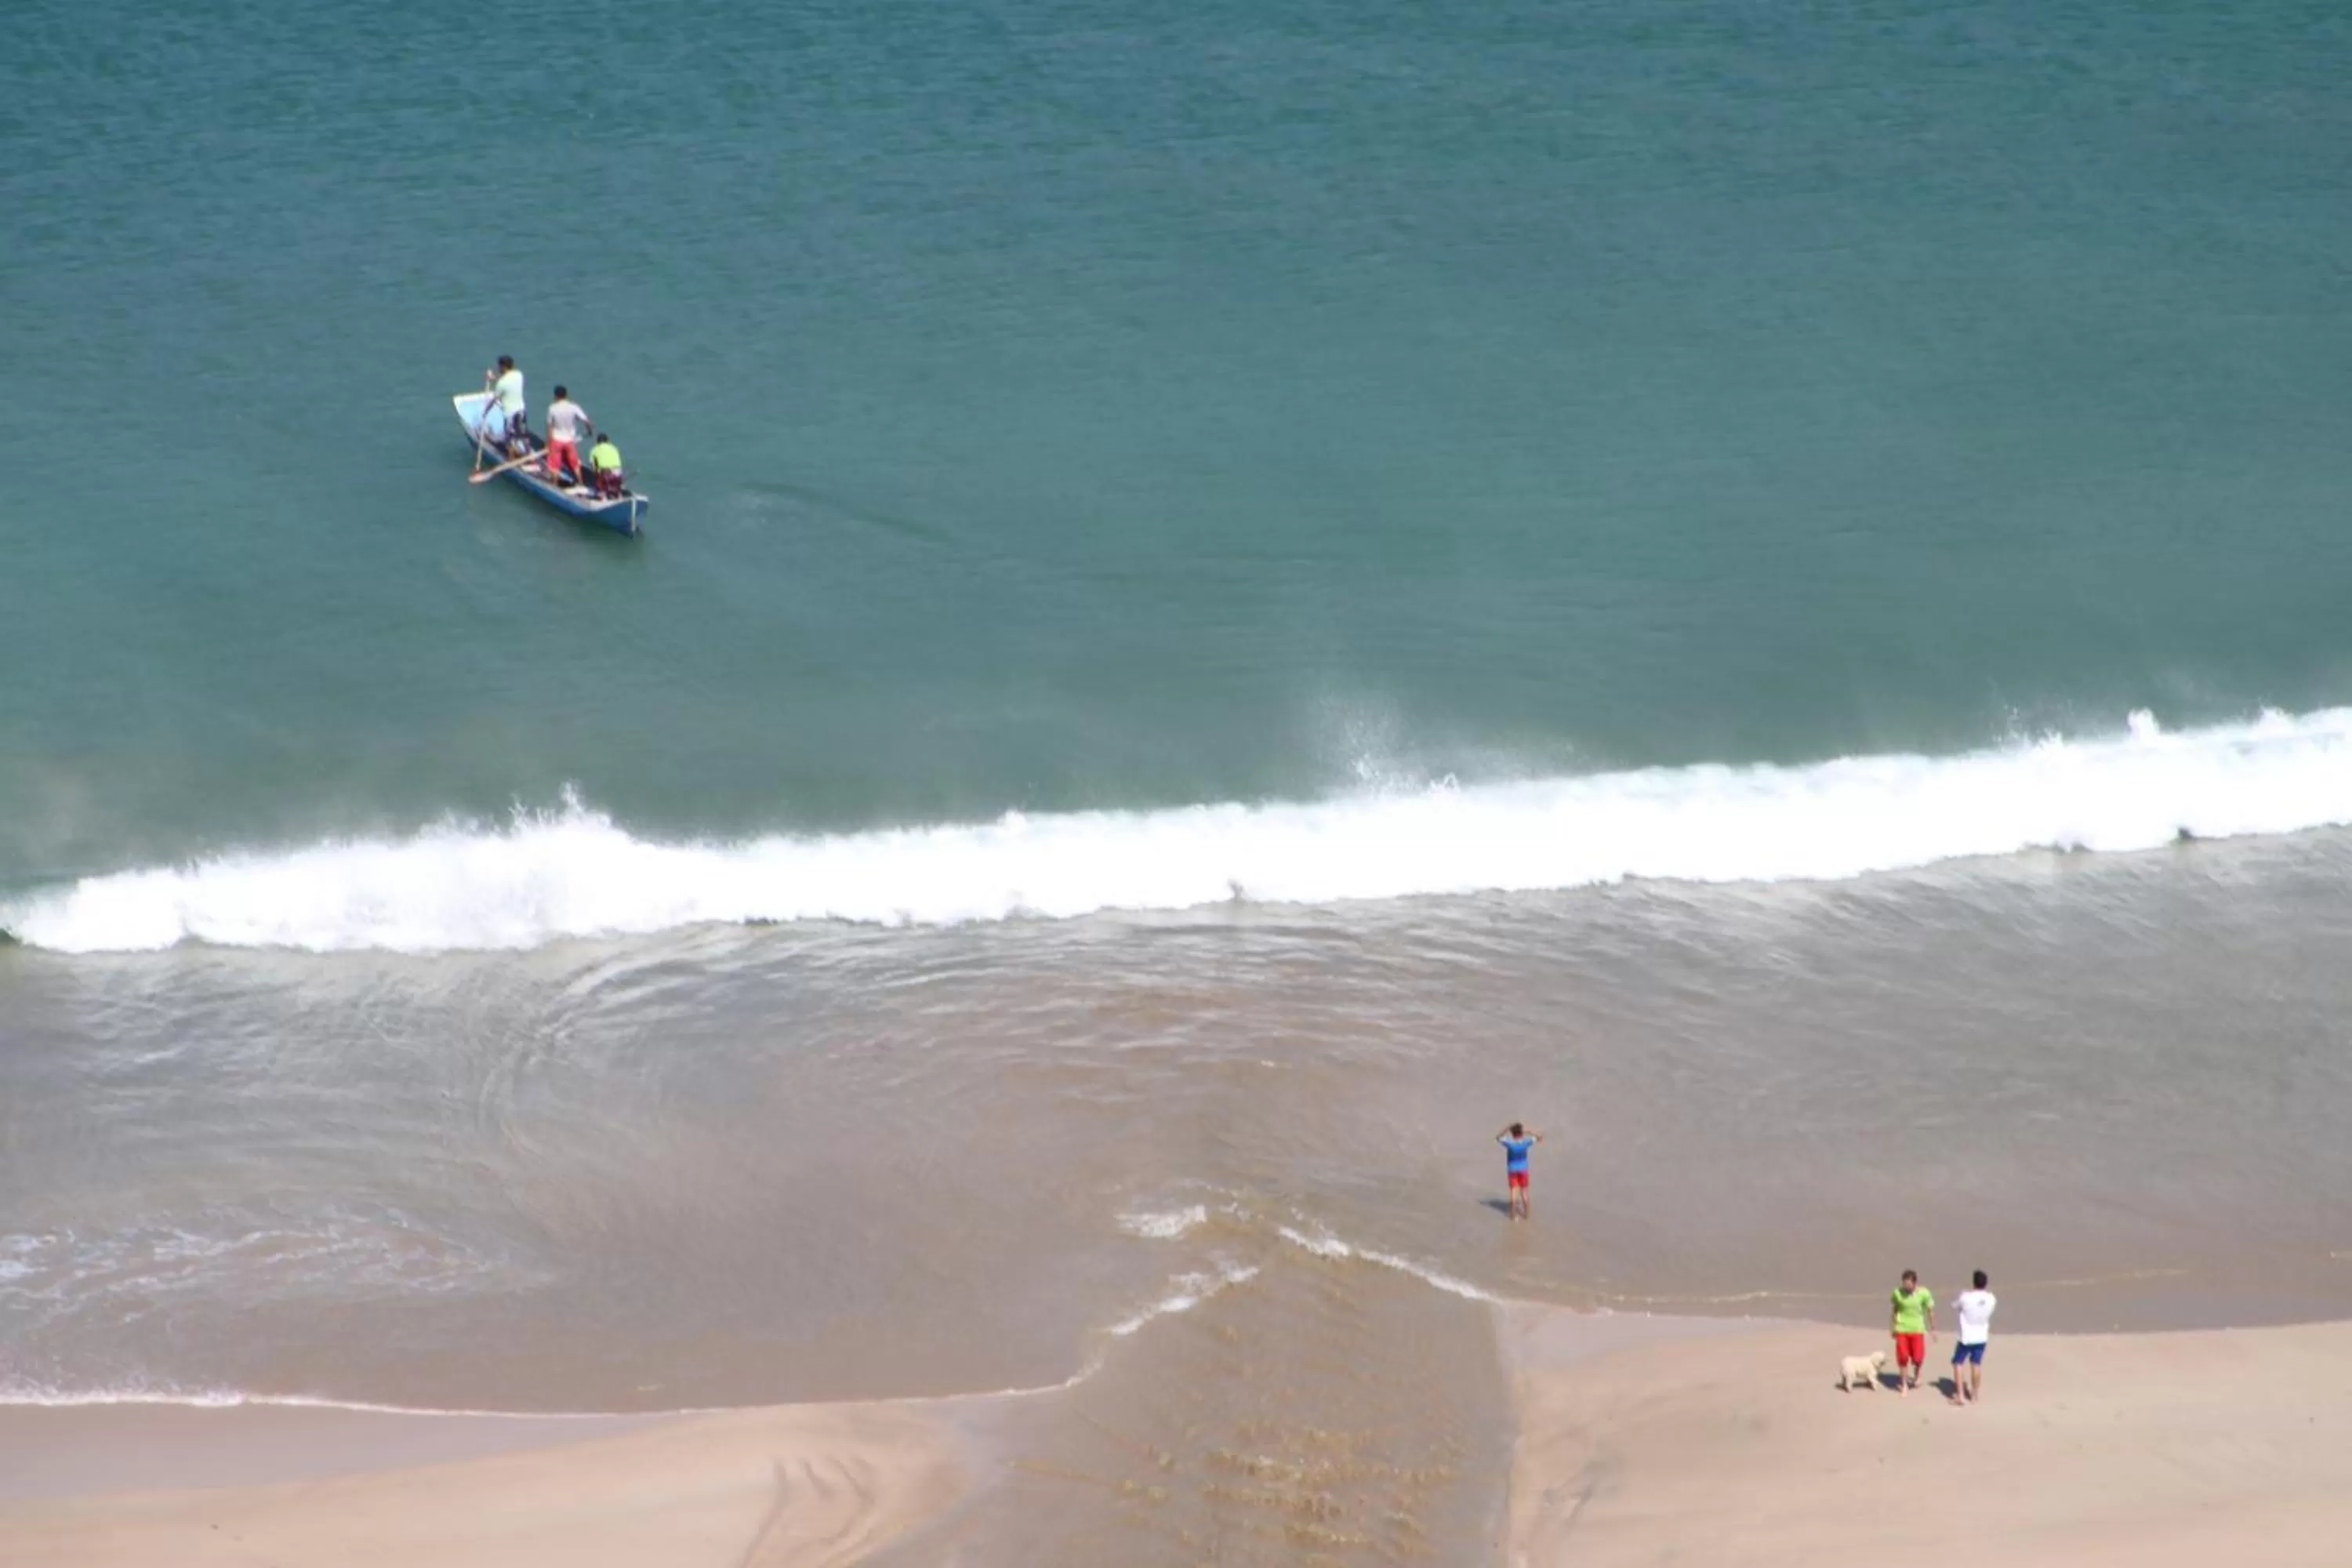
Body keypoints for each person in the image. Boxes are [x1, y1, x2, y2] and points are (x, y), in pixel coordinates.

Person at [1950, 1269, 1996, 1406]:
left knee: (1958, 1363)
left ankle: (1961, 1396)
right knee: (1976, 1364)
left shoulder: (1966, 1297)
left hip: (1967, 1336)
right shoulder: (1991, 1298)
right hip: (1981, 1336)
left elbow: (1955, 1305)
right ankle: (1975, 1395)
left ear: (1974, 1282)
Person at [1889, 1269, 1936, 1395]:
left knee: (1918, 1358)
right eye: (1904, 1284)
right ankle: (1904, 1384)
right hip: (1902, 1329)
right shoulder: (1898, 1293)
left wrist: (1933, 1329)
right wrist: (1893, 1327)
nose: (1906, 1287)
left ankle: (1918, 1372)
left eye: (1909, 1284)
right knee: (1903, 1357)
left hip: (1917, 1330)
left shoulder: (1924, 1293)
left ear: (1915, 1283)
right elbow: (1895, 1310)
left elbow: (1930, 1311)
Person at [545, 386, 593, 485]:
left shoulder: (552, 408)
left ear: (555, 396)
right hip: (570, 441)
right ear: (566, 395)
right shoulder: (574, 407)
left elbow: (550, 427)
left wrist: (548, 443)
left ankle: (554, 484)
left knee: (555, 465)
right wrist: (589, 431)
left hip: (557, 440)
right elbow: (586, 421)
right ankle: (580, 482)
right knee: (575, 464)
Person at [1495, 1122, 1542, 1221]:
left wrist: (1507, 1128)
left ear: (1512, 1133)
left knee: (1513, 1193)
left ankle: (1513, 1216)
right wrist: (1529, 1131)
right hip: (1523, 1170)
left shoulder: (1510, 1144)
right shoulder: (1526, 1143)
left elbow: (1498, 1137)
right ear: (1521, 1133)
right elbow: (1540, 1137)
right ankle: (1527, 1216)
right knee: (1524, 1192)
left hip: (1512, 1170)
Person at [484, 355, 528, 452]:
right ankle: (529, 454)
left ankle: (511, 457)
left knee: (510, 440)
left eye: (499, 366)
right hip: (521, 410)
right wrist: (494, 378)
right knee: (524, 435)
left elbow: (495, 399)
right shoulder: (519, 375)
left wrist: (486, 411)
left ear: (503, 367)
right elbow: (508, 381)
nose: (498, 368)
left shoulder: (502, 383)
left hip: (510, 414)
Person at [588, 433, 625, 498]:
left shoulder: (594, 449)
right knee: (616, 483)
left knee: (600, 481)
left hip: (606, 474)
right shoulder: (614, 448)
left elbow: (593, 466)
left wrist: (596, 475)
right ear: (608, 441)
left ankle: (603, 496)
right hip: (618, 473)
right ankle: (619, 495)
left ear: (597, 442)